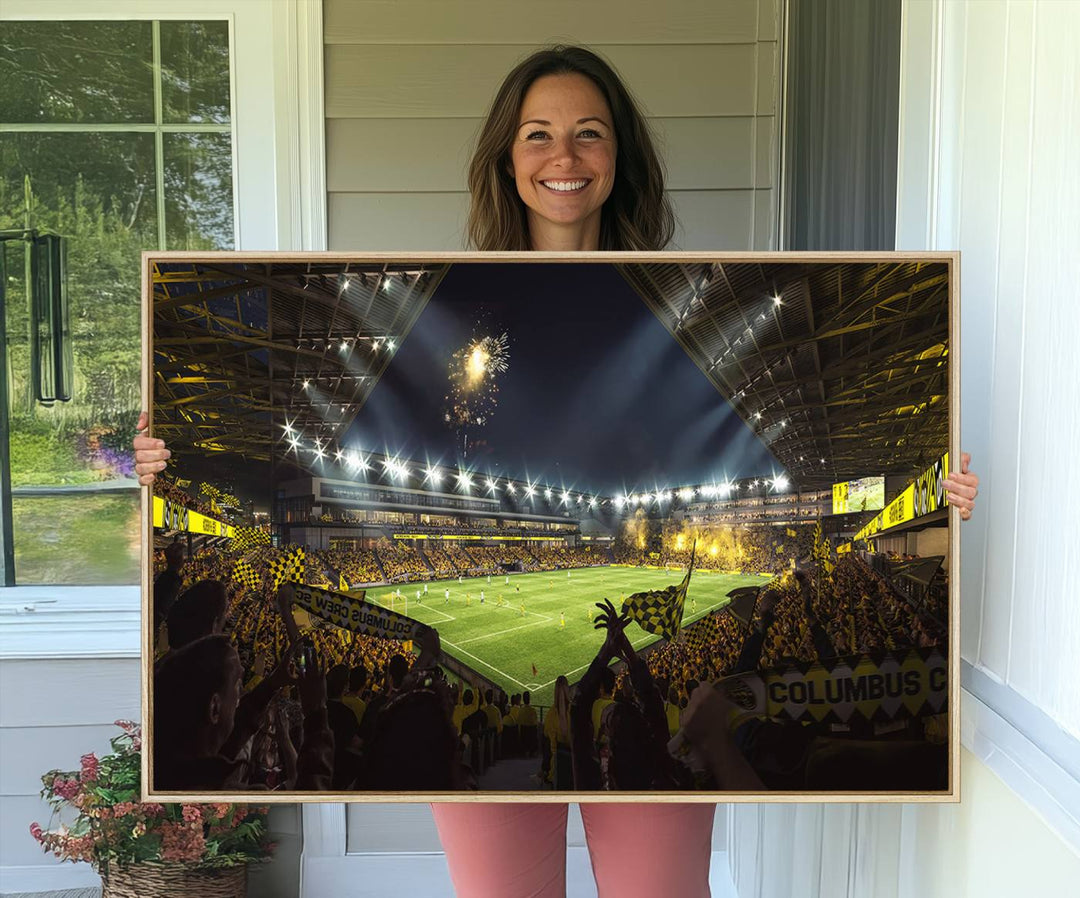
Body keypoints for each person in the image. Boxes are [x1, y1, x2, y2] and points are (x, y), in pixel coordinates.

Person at [134, 42, 981, 898]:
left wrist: (930, 492)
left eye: (589, 133)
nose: (563, 157)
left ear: (620, 157)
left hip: (641, 728)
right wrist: (159, 468)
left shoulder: (679, 292)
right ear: (507, 158)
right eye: (538, 134)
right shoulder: (439, 299)